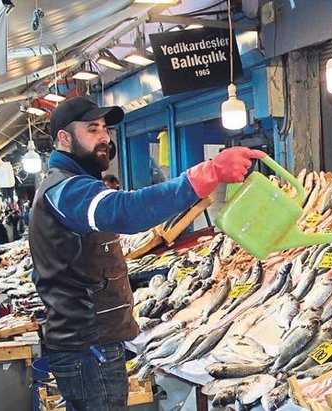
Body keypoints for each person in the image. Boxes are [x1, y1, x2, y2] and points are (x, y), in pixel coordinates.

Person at [29, 96, 263, 410]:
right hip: (89, 349)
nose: (104, 137)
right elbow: (126, 211)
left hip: (90, 343)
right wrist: (210, 173)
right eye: (92, 129)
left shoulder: (69, 186)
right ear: (64, 138)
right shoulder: (66, 189)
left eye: (105, 129)